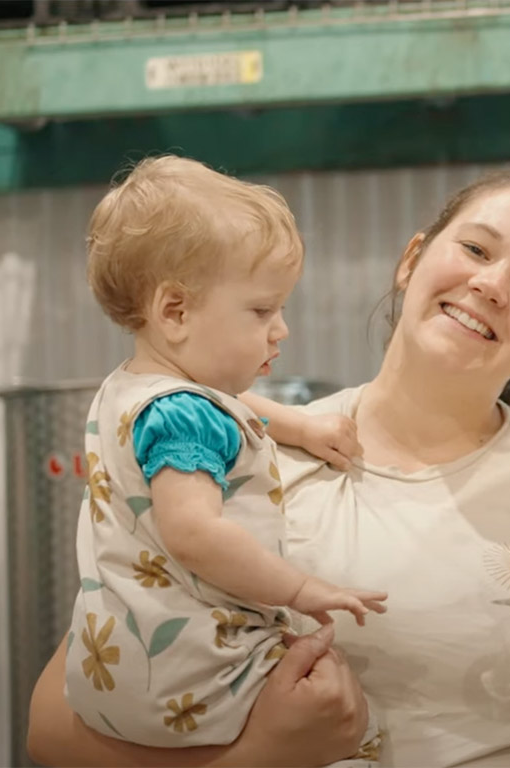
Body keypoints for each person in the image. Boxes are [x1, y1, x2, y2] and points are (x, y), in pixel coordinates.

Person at [26, 170, 510, 766]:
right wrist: (256, 756)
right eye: (476, 250)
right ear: (410, 261)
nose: (491, 285)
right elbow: (53, 727)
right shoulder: (244, 453)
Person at [62, 155, 386, 759]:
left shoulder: (133, 386)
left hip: (105, 676)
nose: (281, 329)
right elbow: (195, 533)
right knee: (350, 723)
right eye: (263, 311)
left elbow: (230, 405)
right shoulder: (185, 414)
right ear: (175, 312)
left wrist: (299, 425)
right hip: (189, 678)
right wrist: (301, 588)